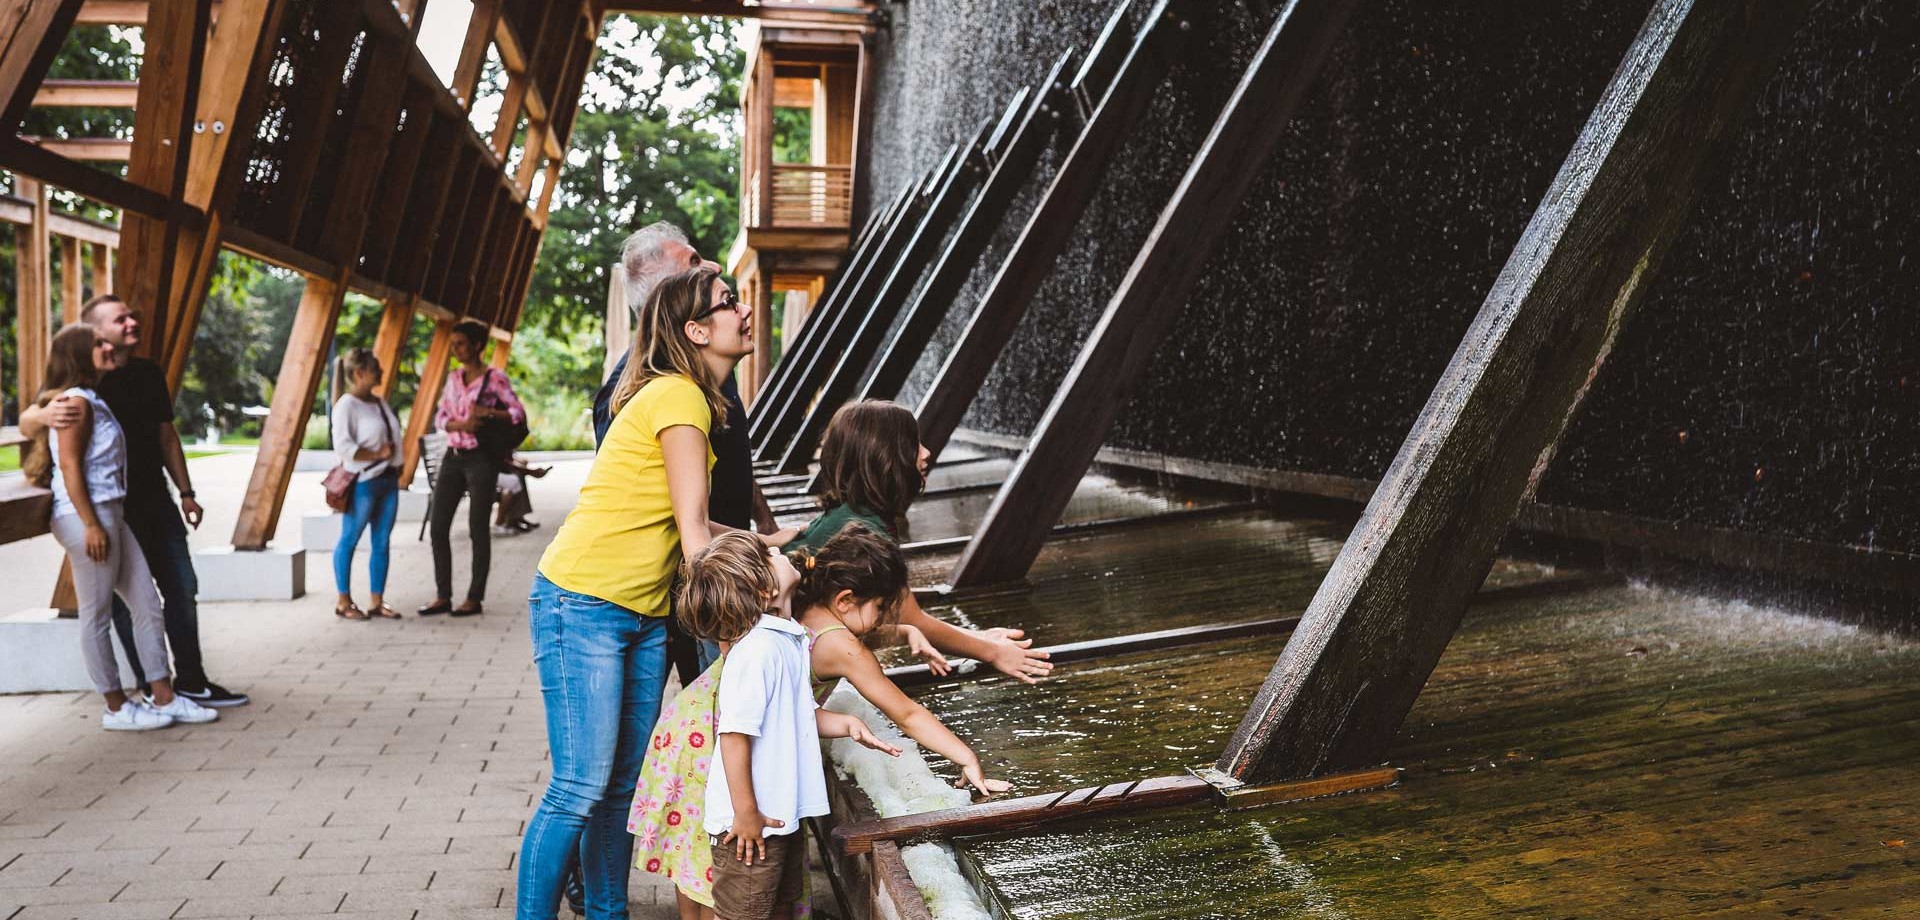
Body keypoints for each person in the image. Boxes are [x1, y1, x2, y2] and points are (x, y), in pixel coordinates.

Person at [517, 267, 756, 920]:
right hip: (583, 602)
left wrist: (775, 542)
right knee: (578, 787)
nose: (744, 310)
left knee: (619, 788)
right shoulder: (679, 396)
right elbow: (693, 540)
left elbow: (697, 521)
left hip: (643, 615)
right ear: (696, 330)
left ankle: (607, 914)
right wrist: (765, 591)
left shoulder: (691, 397)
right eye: (727, 302)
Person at [630, 525, 1000, 920]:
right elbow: (736, 735)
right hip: (730, 766)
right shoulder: (776, 646)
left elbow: (788, 708)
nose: (779, 549)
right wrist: (966, 757)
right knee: (737, 896)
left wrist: (845, 720)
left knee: (722, 881)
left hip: (707, 747)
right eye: (767, 554)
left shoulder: (786, 627)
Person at [19, 295, 249, 709]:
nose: (131, 323)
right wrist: (41, 417)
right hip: (104, 509)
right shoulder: (81, 386)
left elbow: (166, 435)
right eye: (118, 319)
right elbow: (35, 421)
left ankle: (187, 683)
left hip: (150, 502)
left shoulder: (144, 373)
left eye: (131, 316)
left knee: (178, 589)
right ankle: (140, 690)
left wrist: (187, 493)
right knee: (116, 607)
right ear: (94, 332)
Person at [592, 222, 781, 688]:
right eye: (694, 263)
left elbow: (732, 458)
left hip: (723, 562)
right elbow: (642, 508)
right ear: (674, 303)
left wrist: (765, 524)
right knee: (717, 705)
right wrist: (721, 609)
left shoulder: (709, 368)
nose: (714, 265)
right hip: (695, 582)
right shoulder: (633, 392)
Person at [790, 399, 1055, 684]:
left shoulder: (849, 516)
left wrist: (979, 636)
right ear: (882, 456)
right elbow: (909, 619)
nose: (926, 453)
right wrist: (992, 652)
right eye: (913, 444)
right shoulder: (865, 533)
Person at [39, 324, 220, 732]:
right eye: (98, 344)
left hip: (111, 514)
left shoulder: (92, 399)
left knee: (147, 604)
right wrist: (91, 525)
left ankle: (164, 697)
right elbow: (69, 467)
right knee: (97, 614)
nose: (109, 347)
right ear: (81, 356)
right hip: (90, 517)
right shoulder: (76, 404)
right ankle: (116, 707)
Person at [421, 320, 525, 617]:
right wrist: (460, 424)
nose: (455, 349)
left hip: (481, 458)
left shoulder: (495, 379)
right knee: (438, 527)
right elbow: (440, 417)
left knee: (477, 529)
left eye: (461, 344)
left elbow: (518, 414)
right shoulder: (453, 378)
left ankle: (474, 597)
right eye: (453, 344)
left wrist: (489, 412)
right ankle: (443, 595)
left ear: (478, 345)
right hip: (453, 458)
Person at [329, 348, 404, 620]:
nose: (381, 373)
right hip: (363, 482)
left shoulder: (379, 402)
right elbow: (343, 447)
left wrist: (397, 463)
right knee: (349, 538)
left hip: (387, 481)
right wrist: (377, 454)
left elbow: (393, 436)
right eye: (376, 369)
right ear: (359, 373)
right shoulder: (346, 406)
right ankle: (343, 600)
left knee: (382, 541)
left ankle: (377, 600)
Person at [493, 455, 551, 535]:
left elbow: (506, 456)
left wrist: (520, 464)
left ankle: (516, 517)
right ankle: (500, 523)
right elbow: (503, 461)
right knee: (514, 481)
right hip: (485, 470)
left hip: (494, 468)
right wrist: (530, 471)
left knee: (518, 476)